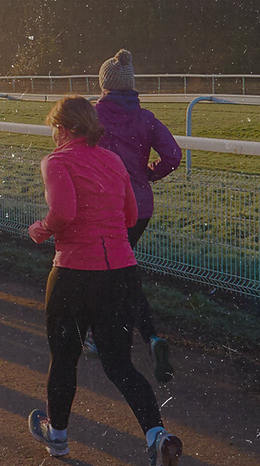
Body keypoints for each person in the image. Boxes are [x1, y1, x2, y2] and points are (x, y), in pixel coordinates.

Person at [27, 95, 182, 465]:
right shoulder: (112, 160)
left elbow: (63, 212)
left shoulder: (56, 161)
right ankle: (157, 435)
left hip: (74, 272)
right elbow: (130, 216)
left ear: (63, 129)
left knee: (64, 360)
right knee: (119, 364)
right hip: (121, 273)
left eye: (54, 129)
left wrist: (40, 229)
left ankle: (58, 436)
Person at [95, 49, 184, 384]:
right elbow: (173, 155)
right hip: (140, 206)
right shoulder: (146, 117)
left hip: (104, 205)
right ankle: (149, 338)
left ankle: (131, 335)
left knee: (110, 272)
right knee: (121, 269)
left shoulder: (93, 115)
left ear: (104, 83)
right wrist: (149, 174)